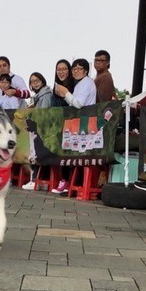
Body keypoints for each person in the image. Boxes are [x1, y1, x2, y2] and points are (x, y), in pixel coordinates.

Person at [51, 59, 98, 193]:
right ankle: (72, 183)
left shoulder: (85, 83)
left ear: (86, 70)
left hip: (82, 124)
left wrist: (65, 92)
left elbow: (78, 104)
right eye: (74, 69)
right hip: (81, 123)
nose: (76, 71)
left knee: (69, 153)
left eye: (79, 69)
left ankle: (68, 183)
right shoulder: (82, 83)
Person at [22, 72, 53, 191]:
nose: (35, 83)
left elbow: (43, 113)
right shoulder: (39, 95)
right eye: (32, 81)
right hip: (38, 129)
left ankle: (35, 181)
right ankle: (36, 180)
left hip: (40, 130)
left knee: (36, 154)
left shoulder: (45, 94)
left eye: (37, 80)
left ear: (42, 80)